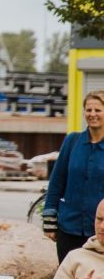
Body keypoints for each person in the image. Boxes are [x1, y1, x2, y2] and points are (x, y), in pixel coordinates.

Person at [43, 90, 104, 265]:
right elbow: (56, 182)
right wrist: (49, 222)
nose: (92, 114)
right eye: (88, 110)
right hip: (69, 229)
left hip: (99, 232)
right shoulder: (72, 141)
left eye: (98, 110)